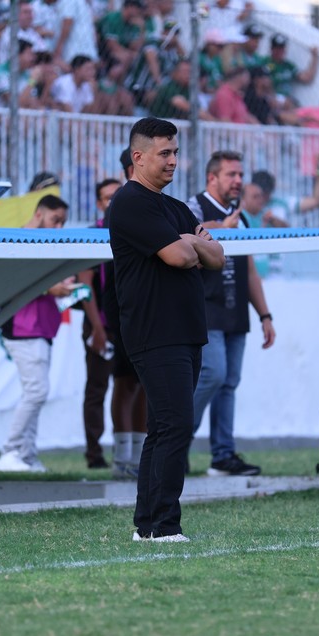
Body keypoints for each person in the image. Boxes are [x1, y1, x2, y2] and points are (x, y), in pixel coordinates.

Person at [109, 117, 225, 542]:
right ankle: (163, 526)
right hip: (154, 332)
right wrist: (191, 243)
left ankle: (148, 525)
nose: (173, 161)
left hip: (186, 331)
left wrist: (190, 242)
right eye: (165, 153)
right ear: (138, 157)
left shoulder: (175, 207)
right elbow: (180, 257)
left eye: (175, 152)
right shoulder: (130, 203)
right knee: (176, 425)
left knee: (163, 428)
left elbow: (218, 257)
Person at [186, 151, 275, 476]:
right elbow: (185, 232)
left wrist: (265, 315)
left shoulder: (244, 217)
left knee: (229, 383)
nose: (239, 181)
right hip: (205, 308)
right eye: (231, 175)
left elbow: (250, 270)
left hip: (236, 311)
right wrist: (219, 228)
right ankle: (176, 440)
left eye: (240, 175)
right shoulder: (194, 206)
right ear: (212, 178)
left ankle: (222, 457)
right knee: (214, 373)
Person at [0, 195, 72, 473]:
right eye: (55, 220)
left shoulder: (46, 241)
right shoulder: (18, 239)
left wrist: (61, 284)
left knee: (35, 392)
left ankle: (25, 454)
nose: (59, 228)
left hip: (41, 327)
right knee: (37, 391)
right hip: (23, 327)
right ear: (39, 214)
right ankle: (10, 451)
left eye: (63, 222)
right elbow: (11, 281)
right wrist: (52, 287)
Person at [101, 151, 147, 479]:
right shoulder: (122, 205)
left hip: (149, 306)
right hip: (123, 306)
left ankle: (141, 456)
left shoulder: (148, 201)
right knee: (126, 381)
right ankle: (123, 459)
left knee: (146, 382)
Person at [76, 178, 121, 469]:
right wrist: (98, 328)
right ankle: (94, 454)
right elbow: (85, 284)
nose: (112, 202)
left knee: (130, 387)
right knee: (97, 389)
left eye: (117, 197)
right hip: (100, 323)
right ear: (98, 203)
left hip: (130, 323)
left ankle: (129, 450)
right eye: (107, 198)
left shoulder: (134, 230)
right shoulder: (91, 235)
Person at [264, 33, 319, 106]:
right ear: (272, 48)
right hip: (272, 98)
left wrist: (314, 56)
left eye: (282, 48)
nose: (280, 51)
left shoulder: (288, 66)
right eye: (277, 48)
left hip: (287, 99)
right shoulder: (266, 63)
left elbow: (306, 78)